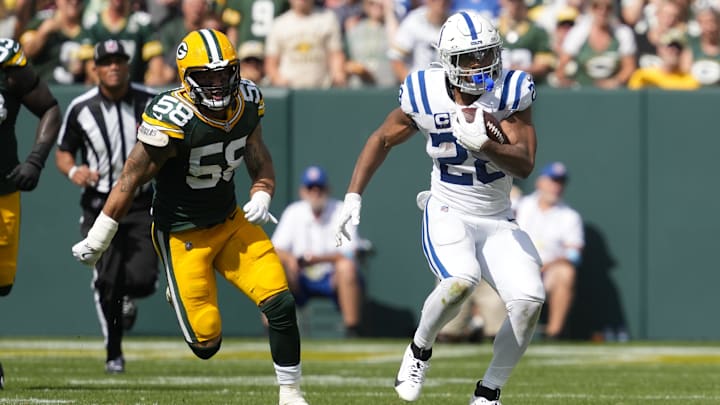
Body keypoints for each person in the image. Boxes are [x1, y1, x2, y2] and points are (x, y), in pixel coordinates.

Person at [70, 29, 309, 405]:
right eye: (206, 76)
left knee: (280, 301)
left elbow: (258, 154)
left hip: (230, 221)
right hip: (183, 234)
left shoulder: (247, 99)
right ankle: (177, 288)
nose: (217, 84)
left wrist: (262, 190)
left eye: (223, 74)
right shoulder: (173, 115)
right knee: (206, 342)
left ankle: (291, 392)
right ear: (187, 78)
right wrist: (99, 238)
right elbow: (130, 177)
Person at [335, 11, 545, 405]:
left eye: (487, 54)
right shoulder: (423, 91)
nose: (482, 65)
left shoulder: (512, 90)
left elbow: (525, 163)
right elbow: (381, 139)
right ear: (448, 61)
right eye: (471, 58)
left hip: (498, 217)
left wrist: (487, 145)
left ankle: (488, 393)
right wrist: (353, 194)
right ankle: (418, 351)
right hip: (449, 207)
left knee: (530, 301)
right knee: (460, 279)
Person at [55, 39, 159, 373]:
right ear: (95, 68)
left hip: (142, 204)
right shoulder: (82, 107)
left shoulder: (150, 102)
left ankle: (125, 294)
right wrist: (74, 170)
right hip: (100, 204)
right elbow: (63, 151)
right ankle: (114, 352)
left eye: (119, 60)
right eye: (107, 61)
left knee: (143, 279)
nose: (114, 66)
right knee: (107, 281)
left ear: (128, 65)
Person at [0, 38, 62, 389]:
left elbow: (50, 107)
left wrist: (36, 160)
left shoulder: (8, 67)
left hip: (3, 190)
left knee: (2, 286)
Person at [272, 165, 363, 337]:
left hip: (332, 277)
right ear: (302, 191)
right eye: (310, 188)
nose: (315, 192)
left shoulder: (341, 210)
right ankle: (271, 330)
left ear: (327, 189)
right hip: (299, 277)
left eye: (319, 187)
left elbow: (351, 252)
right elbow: (276, 248)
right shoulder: (293, 212)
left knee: (347, 267)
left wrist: (318, 260)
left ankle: (352, 330)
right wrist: (290, 259)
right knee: (273, 266)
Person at [515, 162, 584, 340]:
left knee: (565, 273)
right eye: (553, 181)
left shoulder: (570, 216)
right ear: (540, 182)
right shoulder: (520, 205)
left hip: (548, 272)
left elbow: (574, 255)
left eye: (561, 182)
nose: (557, 187)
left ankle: (554, 334)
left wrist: (546, 265)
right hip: (517, 267)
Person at [628, 29, 700, 90]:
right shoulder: (643, 76)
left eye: (678, 47)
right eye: (670, 45)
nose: (674, 50)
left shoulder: (690, 81)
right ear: (660, 49)